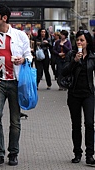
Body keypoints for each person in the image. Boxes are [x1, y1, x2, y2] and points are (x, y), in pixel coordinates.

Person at [0, 3, 32, 168]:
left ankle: (13, 153)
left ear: (4, 18)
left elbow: (29, 56)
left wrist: (23, 60)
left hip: (16, 83)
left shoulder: (20, 35)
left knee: (15, 120)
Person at [61, 30, 95, 165]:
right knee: (76, 125)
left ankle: (90, 155)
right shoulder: (71, 54)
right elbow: (64, 71)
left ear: (87, 42)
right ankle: (77, 153)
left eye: (82, 40)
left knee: (89, 123)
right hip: (74, 94)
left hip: (88, 94)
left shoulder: (92, 56)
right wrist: (75, 61)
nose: (79, 42)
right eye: (78, 40)